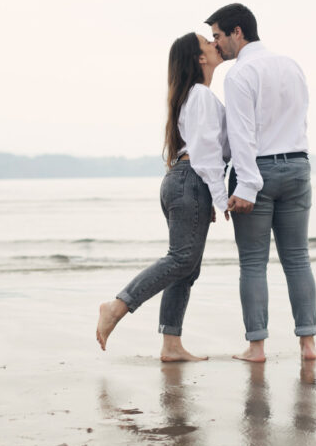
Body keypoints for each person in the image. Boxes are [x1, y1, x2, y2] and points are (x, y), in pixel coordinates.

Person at [95, 32, 230, 361]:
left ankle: (171, 344)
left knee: (187, 267)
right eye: (207, 42)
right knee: (181, 259)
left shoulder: (195, 95)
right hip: (190, 180)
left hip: (183, 181)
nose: (215, 44)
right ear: (200, 58)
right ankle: (117, 306)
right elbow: (207, 153)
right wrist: (220, 197)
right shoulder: (200, 95)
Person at [206, 3, 316, 362]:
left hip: (256, 170)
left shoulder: (239, 75)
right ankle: (308, 345)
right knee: (298, 259)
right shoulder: (292, 65)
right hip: (298, 166)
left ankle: (256, 347)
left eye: (218, 37)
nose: (216, 47)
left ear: (237, 32)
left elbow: (242, 136)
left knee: (254, 264)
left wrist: (245, 187)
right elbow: (299, 120)